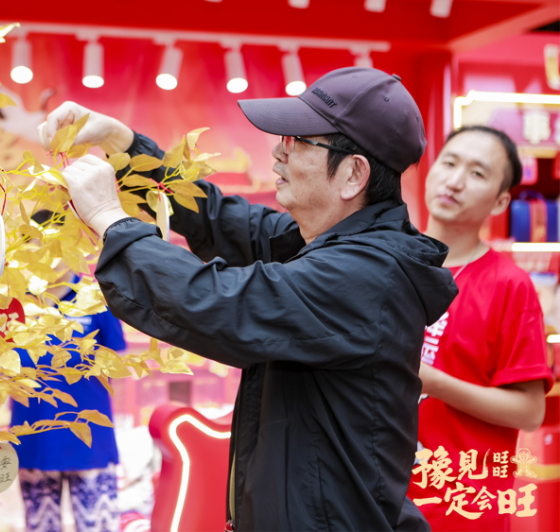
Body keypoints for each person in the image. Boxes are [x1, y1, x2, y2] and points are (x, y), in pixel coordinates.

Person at [39, 67, 458, 531]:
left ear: (353, 174)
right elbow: (220, 219)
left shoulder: (364, 273)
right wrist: (124, 145)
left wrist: (108, 217)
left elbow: (220, 303)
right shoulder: (331, 243)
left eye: (298, 141)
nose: (279, 151)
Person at [408, 126, 553, 531]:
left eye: (476, 173)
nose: (454, 181)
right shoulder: (386, 263)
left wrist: (432, 382)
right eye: (449, 163)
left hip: (460, 511)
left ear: (501, 200)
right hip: (371, 502)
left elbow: (530, 412)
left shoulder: (509, 285)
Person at [11, 210, 126, 532]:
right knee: (39, 527)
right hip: (33, 440)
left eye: (55, 244)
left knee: (99, 527)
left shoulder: (96, 298)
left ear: (72, 245)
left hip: (90, 442)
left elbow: (116, 362)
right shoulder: (12, 305)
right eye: (36, 245)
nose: (46, 254)